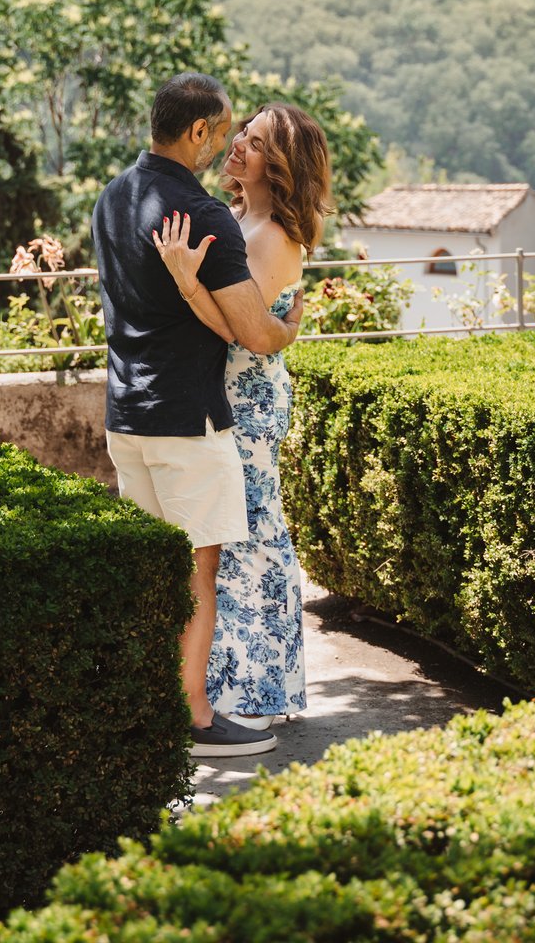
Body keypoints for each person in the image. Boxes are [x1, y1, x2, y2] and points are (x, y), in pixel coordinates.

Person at [91, 72, 304, 758]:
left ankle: (150, 698)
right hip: (188, 420)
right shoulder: (204, 215)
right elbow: (254, 333)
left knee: (152, 571)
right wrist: (288, 330)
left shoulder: (112, 199)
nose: (227, 142)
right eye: (224, 130)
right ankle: (195, 716)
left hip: (125, 414)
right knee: (196, 575)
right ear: (197, 132)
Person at [154, 103, 331, 730]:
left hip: (250, 398)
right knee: (222, 537)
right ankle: (222, 683)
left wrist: (185, 280)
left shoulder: (275, 235)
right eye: (242, 137)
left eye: (253, 144)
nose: (237, 149)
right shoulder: (234, 218)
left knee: (251, 536)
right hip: (219, 394)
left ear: (278, 166)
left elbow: (241, 328)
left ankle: (259, 689)